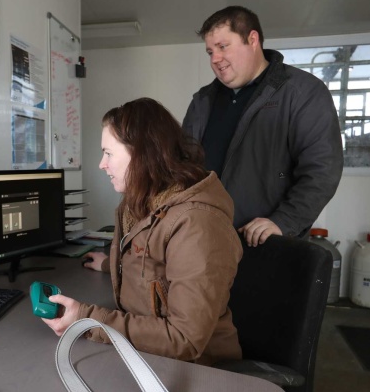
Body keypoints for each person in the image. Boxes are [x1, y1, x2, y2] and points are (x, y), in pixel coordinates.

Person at [42, 98, 243, 365]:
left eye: (108, 153)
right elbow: (149, 262)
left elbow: (185, 339)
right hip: (148, 354)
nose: (102, 164)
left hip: (199, 368)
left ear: (142, 153)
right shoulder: (139, 203)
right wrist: (107, 265)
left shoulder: (198, 224)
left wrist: (85, 319)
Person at [182, 5, 343, 247]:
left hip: (262, 246)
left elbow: (322, 169)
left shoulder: (302, 92)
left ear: (252, 39)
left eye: (223, 47)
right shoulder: (203, 101)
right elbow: (182, 166)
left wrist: (284, 221)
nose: (215, 59)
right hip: (203, 242)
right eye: (209, 52)